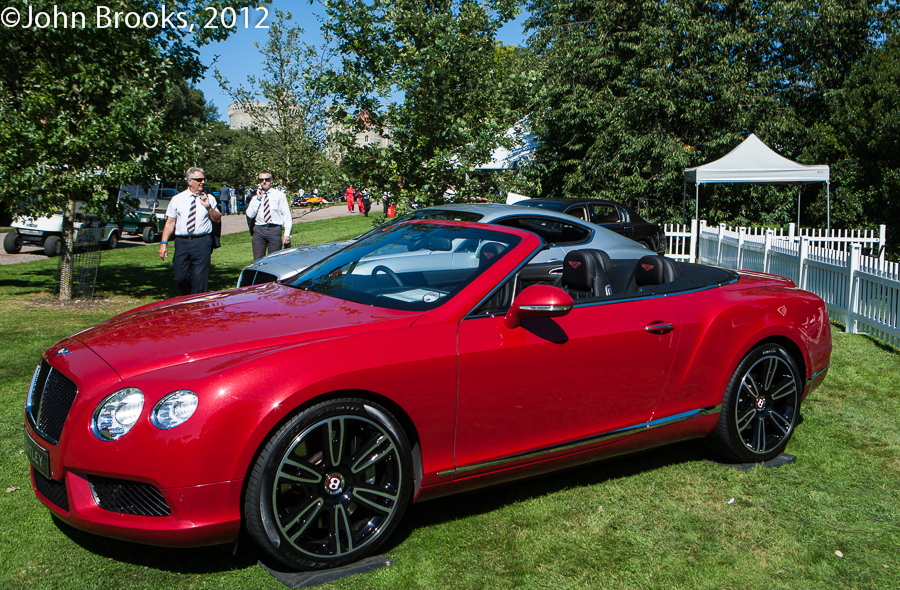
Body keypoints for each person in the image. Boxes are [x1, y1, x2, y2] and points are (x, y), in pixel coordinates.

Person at [159, 167, 222, 295]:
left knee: (200, 279)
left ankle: (197, 307)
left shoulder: (209, 198)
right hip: (182, 242)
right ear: (189, 181)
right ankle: (188, 299)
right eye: (199, 179)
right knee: (180, 277)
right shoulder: (177, 199)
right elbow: (170, 223)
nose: (202, 182)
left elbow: (217, 219)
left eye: (203, 179)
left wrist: (208, 207)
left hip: (202, 242)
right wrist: (163, 243)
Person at [246, 170, 292, 260]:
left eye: (266, 179)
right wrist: (258, 199)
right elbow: (250, 214)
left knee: (274, 260)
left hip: (274, 230)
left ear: (271, 180)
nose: (264, 182)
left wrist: (287, 233)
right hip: (259, 229)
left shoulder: (279, 195)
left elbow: (286, 214)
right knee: (258, 261)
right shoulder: (255, 196)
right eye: (261, 180)